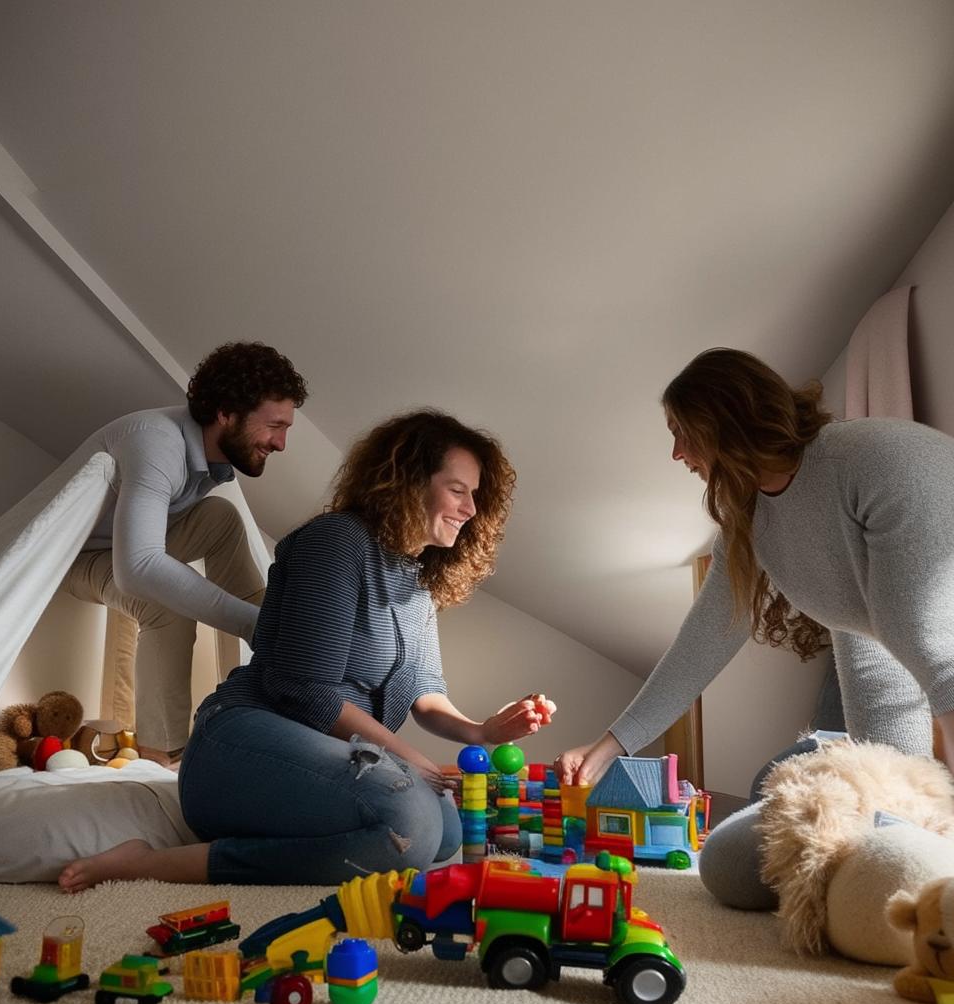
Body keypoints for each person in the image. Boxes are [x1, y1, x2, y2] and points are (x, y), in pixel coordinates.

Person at [59, 409, 556, 891]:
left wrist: (482, 729)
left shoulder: (416, 582)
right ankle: (151, 863)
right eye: (458, 490)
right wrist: (409, 760)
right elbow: (306, 692)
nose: (471, 508)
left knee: (445, 832)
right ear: (410, 480)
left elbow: (425, 692)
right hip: (238, 744)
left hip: (328, 756)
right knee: (414, 826)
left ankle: (283, 832)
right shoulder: (336, 543)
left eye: (475, 496)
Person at [555, 347, 954, 909]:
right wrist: (605, 749)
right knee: (730, 865)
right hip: (887, 692)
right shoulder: (752, 517)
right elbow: (701, 643)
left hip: (943, 668)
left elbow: (939, 663)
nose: (676, 454)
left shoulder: (874, 460)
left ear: (725, 420)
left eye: (682, 433)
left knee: (899, 872)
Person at [59, 341, 308, 765]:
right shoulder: (156, 443)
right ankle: (162, 758)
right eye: (274, 426)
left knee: (220, 517)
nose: (281, 443)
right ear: (226, 413)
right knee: (165, 607)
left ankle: (281, 649)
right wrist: (248, 623)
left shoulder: (214, 452)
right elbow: (137, 567)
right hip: (81, 558)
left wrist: (272, 627)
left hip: (121, 543)